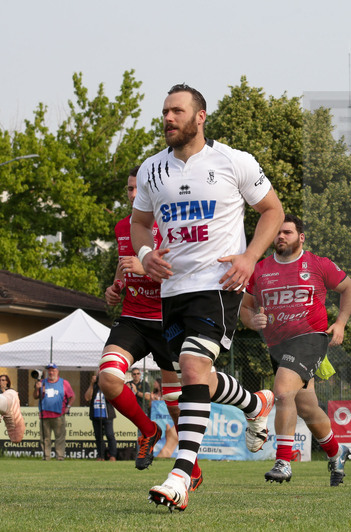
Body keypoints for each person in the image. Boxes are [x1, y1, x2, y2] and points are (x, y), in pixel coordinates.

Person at [133, 84, 284, 511]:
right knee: (196, 375)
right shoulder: (151, 170)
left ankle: (181, 475)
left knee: (193, 366)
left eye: (177, 111)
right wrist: (145, 255)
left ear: (200, 117)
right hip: (172, 289)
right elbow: (139, 223)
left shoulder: (234, 161)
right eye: (164, 111)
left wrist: (251, 258)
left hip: (219, 285)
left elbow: (273, 210)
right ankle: (256, 402)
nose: (168, 118)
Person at [100, 165, 203, 485]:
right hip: (132, 318)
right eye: (129, 189)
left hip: (167, 321)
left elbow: (183, 273)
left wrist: (145, 268)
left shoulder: (172, 224)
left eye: (137, 189)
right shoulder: (122, 227)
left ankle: (191, 471)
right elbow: (122, 273)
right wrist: (113, 290)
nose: (133, 194)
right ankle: (149, 430)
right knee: (108, 378)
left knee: (176, 405)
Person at [241, 214, 351, 486]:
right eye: (277, 233)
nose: (280, 237)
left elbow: (349, 288)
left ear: (300, 237)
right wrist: (252, 319)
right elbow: (245, 308)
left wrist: (340, 323)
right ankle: (337, 452)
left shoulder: (318, 264)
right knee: (307, 407)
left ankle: (283, 460)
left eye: (288, 232)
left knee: (282, 391)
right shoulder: (260, 269)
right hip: (277, 346)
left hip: (310, 337)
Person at [33, 363, 74, 461]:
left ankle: (59, 456)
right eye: (49, 371)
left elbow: (72, 396)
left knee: (59, 437)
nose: (51, 372)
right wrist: (37, 388)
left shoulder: (64, 383)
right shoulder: (42, 382)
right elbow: (35, 396)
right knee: (45, 437)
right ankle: (46, 456)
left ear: (57, 371)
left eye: (53, 370)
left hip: (58, 414)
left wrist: (68, 406)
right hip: (44, 414)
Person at [84, 373, 117, 461]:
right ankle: (100, 455)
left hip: (107, 414)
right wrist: (92, 384)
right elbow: (87, 398)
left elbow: (113, 397)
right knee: (98, 436)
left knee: (110, 435)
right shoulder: (94, 387)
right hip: (96, 415)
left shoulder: (108, 385)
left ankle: (112, 455)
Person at [0, 374, 25, 443]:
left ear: (7, 382)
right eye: (0, 380)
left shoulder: (11, 392)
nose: (1, 382)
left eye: (3, 380)